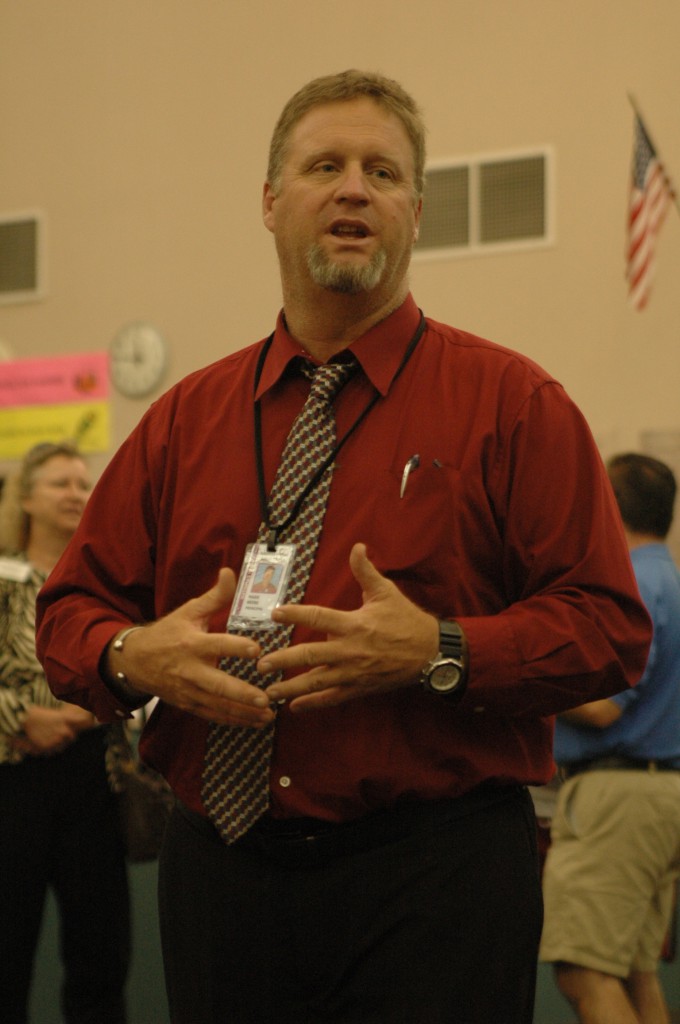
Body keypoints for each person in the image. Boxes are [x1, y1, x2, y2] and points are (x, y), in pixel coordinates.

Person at [36, 71, 651, 1024]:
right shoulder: (181, 422)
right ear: (272, 204)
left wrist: (442, 652)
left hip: (436, 877)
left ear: (418, 211)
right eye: (325, 166)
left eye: (382, 171)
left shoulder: (516, 406)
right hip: (220, 876)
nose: (354, 189)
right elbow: (70, 614)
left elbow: (611, 631)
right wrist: (129, 656)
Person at [540, 452, 680, 1024]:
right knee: (632, 970)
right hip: (656, 796)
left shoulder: (635, 584)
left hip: (618, 799)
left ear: (603, 504)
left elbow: (600, 707)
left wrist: (515, 682)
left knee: (585, 971)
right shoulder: (668, 578)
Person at [0, 442, 130, 1024]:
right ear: (24, 497)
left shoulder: (108, 588)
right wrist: (20, 719)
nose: (77, 493)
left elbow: (138, 671)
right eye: (60, 483)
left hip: (93, 782)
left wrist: (84, 712)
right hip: (12, 782)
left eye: (83, 483)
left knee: (101, 959)